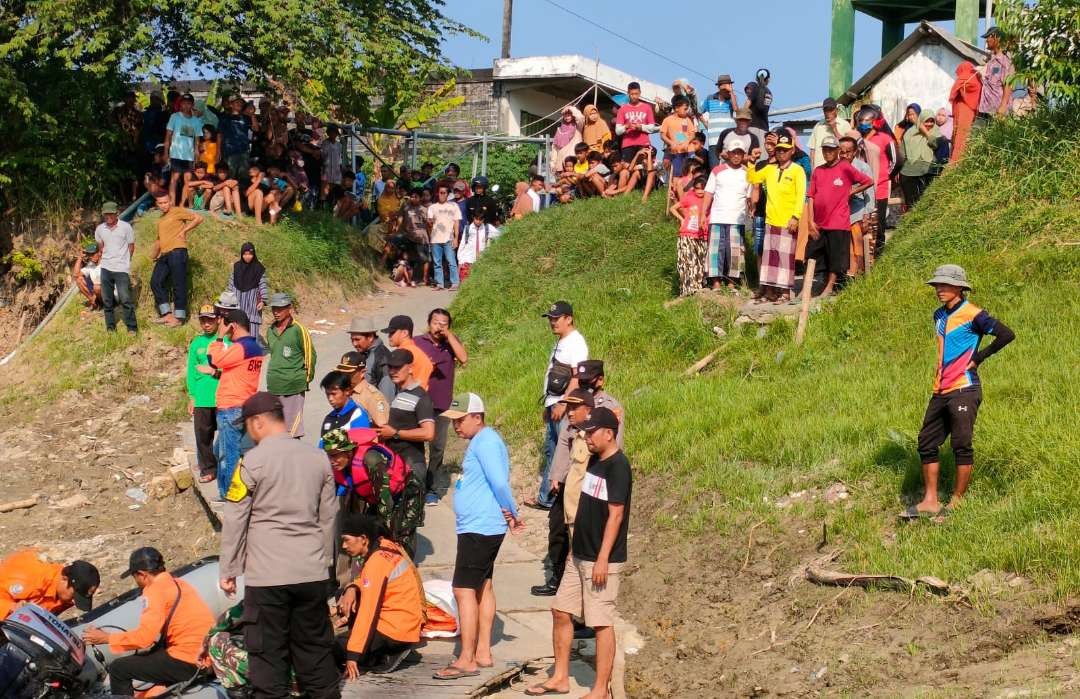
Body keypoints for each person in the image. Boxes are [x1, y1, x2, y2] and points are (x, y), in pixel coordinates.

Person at [219, 392, 341, 699]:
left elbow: (235, 518)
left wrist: (229, 569)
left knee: (268, 660)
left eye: (247, 426)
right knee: (315, 655)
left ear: (257, 422)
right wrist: (324, 563)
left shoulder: (251, 463)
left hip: (268, 577)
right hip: (311, 573)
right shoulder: (318, 458)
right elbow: (329, 517)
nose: (247, 433)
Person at [527, 407, 631, 699]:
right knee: (560, 611)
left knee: (600, 622)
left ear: (609, 434)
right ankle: (560, 678)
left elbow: (616, 515)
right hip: (579, 554)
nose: (586, 437)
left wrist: (602, 557)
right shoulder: (595, 461)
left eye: (592, 432)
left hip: (601, 560)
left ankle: (600, 690)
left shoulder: (618, 466)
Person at [903, 265, 1015, 520]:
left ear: (960, 287)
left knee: (961, 444)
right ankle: (930, 500)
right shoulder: (938, 315)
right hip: (940, 389)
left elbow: (1006, 334)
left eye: (945, 285)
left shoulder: (974, 314)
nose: (939, 289)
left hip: (965, 388)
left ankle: (957, 501)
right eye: (936, 285)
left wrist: (979, 357)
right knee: (926, 443)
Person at [433, 393, 524, 681]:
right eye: (453, 421)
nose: (456, 427)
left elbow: (499, 481)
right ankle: (483, 652)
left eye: (460, 420)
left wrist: (512, 511)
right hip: (479, 526)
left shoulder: (486, 442)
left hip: (480, 528)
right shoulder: (482, 442)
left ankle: (466, 658)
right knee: (483, 586)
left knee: (463, 590)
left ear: (477, 417)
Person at [81, 547, 213, 696]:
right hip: (206, 656)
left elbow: (145, 638)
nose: (136, 581)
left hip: (189, 661)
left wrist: (106, 638)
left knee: (119, 669)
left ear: (142, 575)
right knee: (153, 655)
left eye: (134, 576)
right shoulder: (179, 583)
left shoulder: (155, 591)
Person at [337, 514, 424, 677]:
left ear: (363, 538)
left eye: (347, 540)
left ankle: (381, 656)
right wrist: (352, 587)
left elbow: (368, 613)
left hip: (395, 631)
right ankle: (374, 653)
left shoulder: (377, 562)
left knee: (332, 648)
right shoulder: (385, 545)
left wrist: (353, 654)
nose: (343, 545)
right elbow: (366, 581)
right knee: (345, 594)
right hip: (405, 623)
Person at [528, 301, 588, 510]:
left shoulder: (576, 343)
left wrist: (563, 403)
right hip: (553, 404)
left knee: (561, 452)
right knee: (551, 450)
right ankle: (548, 498)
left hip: (564, 406)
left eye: (556, 318)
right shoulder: (561, 341)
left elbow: (576, 378)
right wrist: (549, 404)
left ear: (568, 319)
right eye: (551, 319)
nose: (552, 322)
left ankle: (556, 499)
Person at [203, 309, 265, 497]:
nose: (224, 329)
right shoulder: (255, 348)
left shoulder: (240, 348)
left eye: (226, 326)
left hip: (230, 408)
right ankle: (227, 493)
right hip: (243, 405)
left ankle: (230, 496)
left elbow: (213, 360)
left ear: (234, 325)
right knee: (225, 452)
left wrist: (220, 338)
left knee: (229, 457)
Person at [805, 136, 873, 296]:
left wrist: (852, 191)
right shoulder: (818, 171)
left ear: (837, 151)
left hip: (838, 221)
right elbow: (811, 196)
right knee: (814, 254)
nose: (827, 153)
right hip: (819, 222)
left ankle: (830, 287)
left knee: (836, 258)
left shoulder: (845, 167)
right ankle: (811, 286)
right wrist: (810, 220)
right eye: (825, 150)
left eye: (831, 149)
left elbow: (868, 181)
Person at [414, 308, 468, 504]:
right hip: (418, 402)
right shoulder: (418, 342)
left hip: (442, 405)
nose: (439, 327)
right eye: (436, 322)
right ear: (429, 323)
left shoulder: (451, 344)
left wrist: (450, 336)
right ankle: (414, 485)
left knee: (437, 448)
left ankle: (431, 489)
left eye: (444, 324)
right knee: (415, 446)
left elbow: (463, 359)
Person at [746, 131, 806, 303]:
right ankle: (771, 292)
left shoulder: (797, 170)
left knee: (785, 259)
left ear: (791, 151)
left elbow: (800, 195)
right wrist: (751, 162)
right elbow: (753, 177)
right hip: (770, 221)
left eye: (785, 150)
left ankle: (785, 292)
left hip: (788, 222)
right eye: (779, 149)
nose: (781, 152)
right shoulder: (770, 169)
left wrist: (795, 217)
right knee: (770, 258)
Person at [376, 349, 435, 486]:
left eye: (397, 367)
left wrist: (395, 434)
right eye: (390, 367)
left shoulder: (421, 396)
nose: (392, 371)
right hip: (394, 463)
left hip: (411, 465)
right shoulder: (395, 391)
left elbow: (428, 433)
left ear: (410, 368)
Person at [702, 135, 752, 290]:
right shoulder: (717, 171)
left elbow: (750, 197)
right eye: (733, 152)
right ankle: (716, 282)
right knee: (716, 250)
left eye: (739, 153)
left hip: (737, 219)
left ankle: (732, 282)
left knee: (735, 251)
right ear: (728, 154)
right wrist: (703, 214)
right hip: (717, 217)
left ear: (743, 155)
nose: (736, 156)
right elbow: (709, 193)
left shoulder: (748, 173)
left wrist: (751, 211)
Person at [266, 292, 317, 438]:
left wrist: (304, 379)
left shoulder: (298, 330)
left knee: (292, 433)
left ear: (290, 308)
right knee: (276, 430)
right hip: (274, 386)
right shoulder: (270, 330)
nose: (276, 312)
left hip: (293, 386)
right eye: (274, 309)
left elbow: (310, 356)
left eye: (280, 309)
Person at [150, 192, 203, 327]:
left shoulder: (177, 211)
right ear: (157, 204)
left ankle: (179, 318)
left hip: (178, 252)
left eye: (165, 202)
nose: (163, 205)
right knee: (155, 281)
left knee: (178, 284)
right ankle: (167, 314)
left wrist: (184, 231)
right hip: (164, 255)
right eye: (160, 203)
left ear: (170, 201)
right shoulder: (161, 220)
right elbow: (159, 240)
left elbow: (199, 218)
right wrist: (153, 256)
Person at [0, 549, 98, 620]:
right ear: (64, 579)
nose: (73, 601)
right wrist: (11, 607)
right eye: (74, 595)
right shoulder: (31, 579)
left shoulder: (64, 595)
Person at [188, 305, 226, 483]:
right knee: (203, 436)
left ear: (218, 320)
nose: (206, 324)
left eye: (210, 319)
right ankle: (208, 468)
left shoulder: (227, 342)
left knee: (227, 433)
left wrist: (214, 371)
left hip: (223, 396)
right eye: (203, 320)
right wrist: (192, 396)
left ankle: (226, 465)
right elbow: (191, 372)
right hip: (202, 397)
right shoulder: (196, 343)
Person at [856, 107, 899, 256]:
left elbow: (896, 161)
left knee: (878, 224)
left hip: (879, 188)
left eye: (866, 121)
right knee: (861, 224)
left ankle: (878, 257)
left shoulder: (885, 138)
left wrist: (884, 176)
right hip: (860, 190)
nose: (863, 123)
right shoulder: (857, 139)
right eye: (861, 120)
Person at [94, 201, 137, 333]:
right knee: (107, 300)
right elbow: (101, 247)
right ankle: (110, 328)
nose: (108, 216)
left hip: (121, 269)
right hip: (106, 268)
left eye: (110, 214)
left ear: (116, 213)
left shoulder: (126, 227)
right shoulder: (100, 229)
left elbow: (131, 246)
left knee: (125, 299)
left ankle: (132, 328)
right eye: (105, 214)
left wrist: (125, 261)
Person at [838, 136, 876, 275]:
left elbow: (870, 193)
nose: (844, 155)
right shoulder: (835, 166)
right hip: (840, 214)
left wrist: (867, 214)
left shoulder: (863, 167)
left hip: (857, 211)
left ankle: (856, 274)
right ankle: (844, 275)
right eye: (841, 152)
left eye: (848, 152)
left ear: (854, 152)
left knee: (857, 246)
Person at [671, 175, 709, 296]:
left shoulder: (710, 200)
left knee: (701, 262)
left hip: (703, 235)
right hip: (687, 235)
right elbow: (673, 208)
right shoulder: (689, 197)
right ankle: (688, 289)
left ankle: (699, 287)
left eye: (703, 188)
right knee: (688, 262)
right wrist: (681, 219)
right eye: (697, 188)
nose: (700, 191)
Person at [163, 93, 203, 205]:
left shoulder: (196, 121)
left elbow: (197, 140)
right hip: (176, 154)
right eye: (184, 103)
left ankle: (181, 204)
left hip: (189, 156)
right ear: (180, 104)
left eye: (188, 103)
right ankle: (172, 204)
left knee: (188, 180)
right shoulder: (174, 117)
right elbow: (168, 136)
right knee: (174, 179)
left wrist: (197, 155)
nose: (186, 106)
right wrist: (165, 153)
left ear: (192, 105)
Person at [899, 110, 943, 209]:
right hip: (909, 172)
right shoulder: (909, 133)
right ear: (921, 121)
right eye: (926, 121)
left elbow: (934, 144)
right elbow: (902, 153)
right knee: (912, 204)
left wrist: (926, 133)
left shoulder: (937, 132)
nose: (929, 124)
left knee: (927, 202)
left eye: (932, 121)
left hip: (928, 172)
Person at [225, 242, 269, 339]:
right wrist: (227, 299)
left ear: (254, 254)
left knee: (252, 335)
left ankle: (252, 352)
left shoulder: (259, 269)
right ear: (241, 254)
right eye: (245, 254)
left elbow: (263, 285)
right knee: (237, 332)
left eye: (250, 254)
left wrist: (263, 301)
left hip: (252, 305)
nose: (247, 256)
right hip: (238, 304)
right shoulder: (237, 267)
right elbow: (230, 285)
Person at [615, 82, 657, 175]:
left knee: (642, 169)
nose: (634, 96)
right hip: (627, 144)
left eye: (636, 94)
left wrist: (640, 127)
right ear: (628, 94)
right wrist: (626, 126)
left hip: (643, 143)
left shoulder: (647, 107)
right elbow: (618, 131)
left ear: (640, 93)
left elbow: (652, 127)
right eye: (632, 94)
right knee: (627, 169)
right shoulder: (622, 109)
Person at [348, 316, 395, 400]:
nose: (354, 344)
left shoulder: (381, 358)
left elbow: (387, 396)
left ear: (370, 337)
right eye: (352, 340)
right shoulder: (365, 353)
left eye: (357, 339)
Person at [382, 315, 434, 391]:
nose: (389, 336)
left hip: (413, 396)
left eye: (392, 332)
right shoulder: (415, 350)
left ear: (405, 333)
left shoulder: (405, 352)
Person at [976, 26, 1014, 124]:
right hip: (985, 109)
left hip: (998, 111)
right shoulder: (991, 60)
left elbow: (1008, 83)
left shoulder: (1005, 60)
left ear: (997, 38)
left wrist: (1003, 106)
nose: (986, 41)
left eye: (988, 37)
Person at [427, 186, 462, 290]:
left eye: (444, 193)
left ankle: (455, 283)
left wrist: (456, 238)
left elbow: (456, 222)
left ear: (447, 194)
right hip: (435, 239)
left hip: (448, 238)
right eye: (440, 192)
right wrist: (430, 235)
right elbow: (429, 223)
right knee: (437, 263)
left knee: (451, 262)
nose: (442, 195)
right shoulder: (432, 207)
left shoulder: (453, 206)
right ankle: (439, 284)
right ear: (437, 193)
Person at [319, 371, 371, 439]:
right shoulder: (329, 418)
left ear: (347, 391)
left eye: (334, 394)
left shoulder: (358, 415)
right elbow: (323, 446)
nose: (330, 398)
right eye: (327, 394)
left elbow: (361, 445)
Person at [700, 74, 738, 165]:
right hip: (714, 141)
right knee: (715, 169)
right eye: (723, 85)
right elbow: (699, 112)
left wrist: (731, 92)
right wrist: (706, 124)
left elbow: (736, 109)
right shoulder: (710, 98)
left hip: (729, 140)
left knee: (729, 168)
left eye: (727, 84)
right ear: (718, 86)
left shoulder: (732, 98)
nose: (725, 87)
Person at [949, 61, 982, 162]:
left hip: (963, 109)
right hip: (970, 110)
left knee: (959, 136)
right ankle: (958, 161)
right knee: (963, 136)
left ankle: (955, 162)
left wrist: (961, 92)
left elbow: (955, 90)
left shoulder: (966, 77)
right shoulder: (976, 78)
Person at [660, 95, 696, 178]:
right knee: (677, 174)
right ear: (676, 108)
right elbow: (662, 135)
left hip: (689, 150)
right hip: (676, 151)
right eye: (685, 109)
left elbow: (692, 134)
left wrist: (687, 142)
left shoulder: (687, 120)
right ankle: (675, 189)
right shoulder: (667, 120)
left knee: (690, 173)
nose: (687, 111)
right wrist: (670, 143)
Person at [808, 98, 848, 169]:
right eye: (826, 110)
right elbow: (812, 150)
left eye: (830, 110)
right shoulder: (818, 126)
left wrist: (834, 129)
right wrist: (812, 170)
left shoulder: (844, 125)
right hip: (819, 169)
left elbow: (847, 147)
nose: (828, 113)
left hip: (838, 169)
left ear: (836, 110)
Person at [550, 106, 584, 177]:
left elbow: (580, 118)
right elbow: (555, 148)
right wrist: (553, 162)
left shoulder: (577, 127)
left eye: (569, 114)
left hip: (573, 163)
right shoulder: (559, 130)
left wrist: (571, 108)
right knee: (561, 185)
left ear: (573, 115)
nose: (567, 117)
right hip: (560, 163)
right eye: (565, 115)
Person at [73, 242, 103, 309]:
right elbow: (76, 275)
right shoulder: (91, 265)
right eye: (89, 255)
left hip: (110, 292)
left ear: (99, 253)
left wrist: (95, 294)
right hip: (99, 292)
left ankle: (102, 303)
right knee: (79, 280)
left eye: (93, 254)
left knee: (97, 287)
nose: (91, 257)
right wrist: (80, 258)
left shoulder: (105, 262)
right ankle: (95, 302)